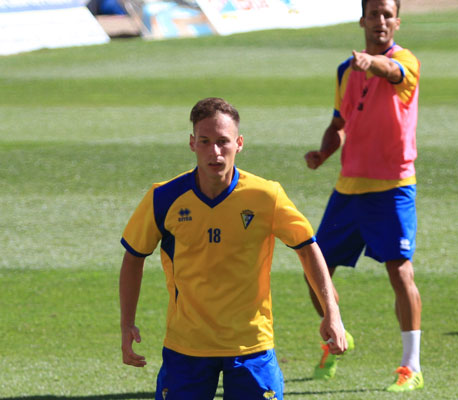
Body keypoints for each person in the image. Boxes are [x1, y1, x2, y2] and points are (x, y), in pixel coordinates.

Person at [120, 97, 348, 400]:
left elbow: (307, 248)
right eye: (205, 141)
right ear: (192, 143)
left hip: (251, 346)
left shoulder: (266, 196)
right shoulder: (164, 197)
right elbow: (133, 258)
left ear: (239, 143)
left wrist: (332, 313)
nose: (215, 151)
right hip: (187, 346)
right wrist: (126, 324)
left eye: (223, 142)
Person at [303, 0, 423, 392]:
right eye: (375, 14)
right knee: (313, 271)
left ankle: (411, 367)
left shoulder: (405, 63)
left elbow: (393, 72)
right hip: (349, 188)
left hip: (393, 188)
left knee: (400, 272)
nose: (381, 21)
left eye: (388, 14)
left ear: (397, 22)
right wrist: (324, 152)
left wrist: (372, 63)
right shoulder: (345, 70)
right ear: (363, 21)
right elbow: (341, 122)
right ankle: (338, 329)